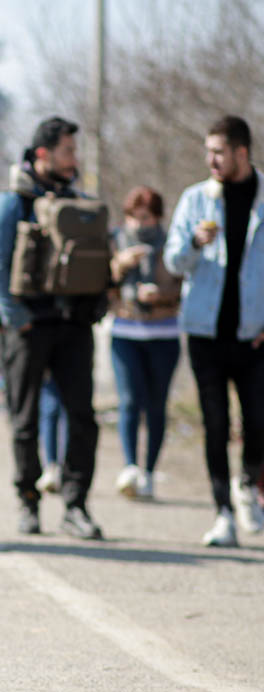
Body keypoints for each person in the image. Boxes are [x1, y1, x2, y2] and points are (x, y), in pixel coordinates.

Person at [0, 116, 105, 539]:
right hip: (29, 326)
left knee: (82, 418)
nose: (74, 159)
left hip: (73, 325)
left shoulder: (79, 200)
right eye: (67, 151)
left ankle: (76, 505)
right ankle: (28, 501)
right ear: (43, 154)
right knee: (25, 419)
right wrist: (17, 319)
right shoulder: (12, 202)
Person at [164, 115, 264, 547]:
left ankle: (247, 484)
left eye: (218, 152)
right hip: (205, 332)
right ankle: (223, 513)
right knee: (216, 423)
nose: (211, 160)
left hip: (254, 334)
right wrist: (194, 244)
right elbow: (172, 261)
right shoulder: (195, 200)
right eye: (208, 152)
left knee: (257, 420)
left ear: (241, 152)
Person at [108, 186, 181, 501]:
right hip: (125, 331)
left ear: (158, 218)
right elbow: (101, 281)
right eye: (134, 217)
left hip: (164, 332)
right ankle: (130, 468)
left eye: (146, 218)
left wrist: (159, 295)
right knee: (128, 401)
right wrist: (120, 264)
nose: (139, 224)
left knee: (156, 405)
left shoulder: (172, 243)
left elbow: (184, 284)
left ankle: (149, 472)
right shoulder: (115, 241)